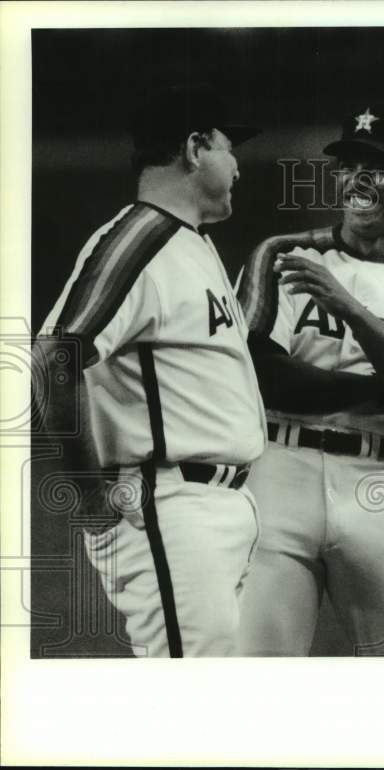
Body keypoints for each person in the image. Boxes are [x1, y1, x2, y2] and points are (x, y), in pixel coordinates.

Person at [32, 83, 267, 657]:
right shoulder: (141, 237)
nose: (238, 164)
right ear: (193, 148)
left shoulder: (192, 243)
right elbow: (52, 359)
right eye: (227, 146)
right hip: (169, 508)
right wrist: (89, 497)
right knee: (189, 723)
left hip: (214, 508)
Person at [235, 107, 384, 656]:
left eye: (379, 165)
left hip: (380, 485)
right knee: (256, 678)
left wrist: (349, 308)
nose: (359, 176)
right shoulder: (283, 255)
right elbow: (262, 376)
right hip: (279, 476)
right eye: (349, 163)